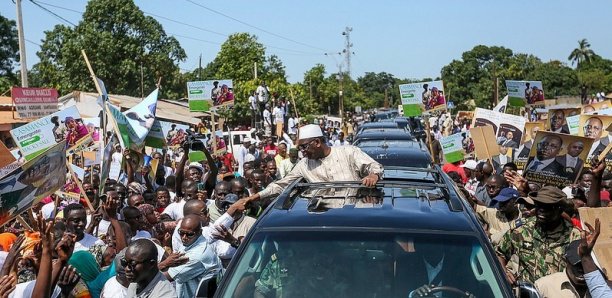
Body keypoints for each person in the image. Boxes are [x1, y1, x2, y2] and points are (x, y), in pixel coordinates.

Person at [242, 124, 382, 206]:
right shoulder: (304, 165)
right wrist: (253, 197)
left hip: (353, 214)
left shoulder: (349, 152)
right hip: (322, 219)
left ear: (317, 142)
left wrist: (373, 175)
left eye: (304, 147)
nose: (301, 152)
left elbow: (374, 166)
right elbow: (281, 185)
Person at [496, 186, 581, 284]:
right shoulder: (521, 229)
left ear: (560, 209)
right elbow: (499, 253)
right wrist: (503, 272)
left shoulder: (574, 236)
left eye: (547, 207)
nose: (541, 210)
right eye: (538, 205)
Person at [164, 214, 221, 298]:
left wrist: (163, 264)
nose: (184, 237)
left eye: (189, 234)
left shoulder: (198, 255)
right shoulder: (191, 242)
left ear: (200, 232)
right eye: (181, 232)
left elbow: (166, 277)